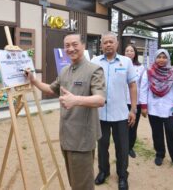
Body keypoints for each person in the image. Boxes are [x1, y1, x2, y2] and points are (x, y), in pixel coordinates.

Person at [26, 33, 106, 190]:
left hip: (82, 139)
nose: (70, 48)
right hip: (66, 136)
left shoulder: (94, 70)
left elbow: (100, 99)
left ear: (83, 45)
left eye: (74, 44)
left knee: (83, 184)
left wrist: (76, 100)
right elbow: (50, 89)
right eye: (67, 45)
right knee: (74, 181)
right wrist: (34, 81)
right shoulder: (64, 71)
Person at [91, 32, 137, 190]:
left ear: (117, 44)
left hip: (120, 114)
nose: (108, 45)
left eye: (111, 42)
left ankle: (123, 176)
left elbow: (132, 85)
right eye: (105, 42)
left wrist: (133, 109)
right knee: (102, 146)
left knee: (122, 147)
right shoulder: (94, 61)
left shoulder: (126, 62)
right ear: (101, 45)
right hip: (100, 114)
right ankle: (103, 172)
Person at [140, 49, 173, 170]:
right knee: (157, 133)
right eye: (159, 57)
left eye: (164, 57)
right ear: (155, 58)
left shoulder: (172, 72)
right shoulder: (149, 72)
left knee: (172, 132)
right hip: (153, 107)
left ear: (168, 59)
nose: (161, 60)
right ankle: (160, 154)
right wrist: (143, 106)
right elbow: (143, 89)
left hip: (170, 107)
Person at [124, 44, 145, 158]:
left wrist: (142, 102)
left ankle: (130, 147)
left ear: (135, 53)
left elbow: (143, 85)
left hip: (135, 102)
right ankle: (123, 146)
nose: (129, 53)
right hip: (122, 101)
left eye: (131, 51)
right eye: (127, 51)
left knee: (133, 126)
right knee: (123, 126)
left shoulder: (141, 68)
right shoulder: (120, 65)